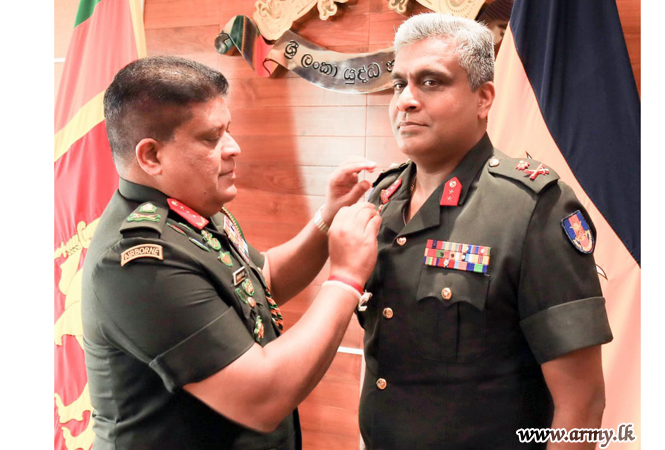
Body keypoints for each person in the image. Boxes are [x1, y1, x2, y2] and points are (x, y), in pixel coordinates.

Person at [81, 55, 381, 450]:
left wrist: (328, 219)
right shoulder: (137, 262)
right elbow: (263, 397)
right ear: (151, 156)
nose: (233, 148)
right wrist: (344, 280)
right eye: (210, 138)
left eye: (228, 131)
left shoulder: (191, 210)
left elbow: (262, 280)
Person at [358, 13, 613, 449]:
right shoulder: (382, 199)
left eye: (432, 82)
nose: (406, 100)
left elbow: (584, 404)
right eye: (399, 84)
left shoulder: (534, 208)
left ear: (483, 98)